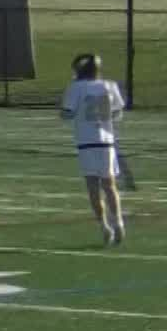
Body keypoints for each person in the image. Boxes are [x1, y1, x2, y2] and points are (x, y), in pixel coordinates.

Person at [59, 53, 127, 246]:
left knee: (93, 187)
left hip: (86, 142)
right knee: (110, 185)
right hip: (107, 141)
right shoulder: (110, 85)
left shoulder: (76, 87)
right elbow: (117, 112)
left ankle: (104, 226)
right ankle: (119, 222)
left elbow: (66, 114)